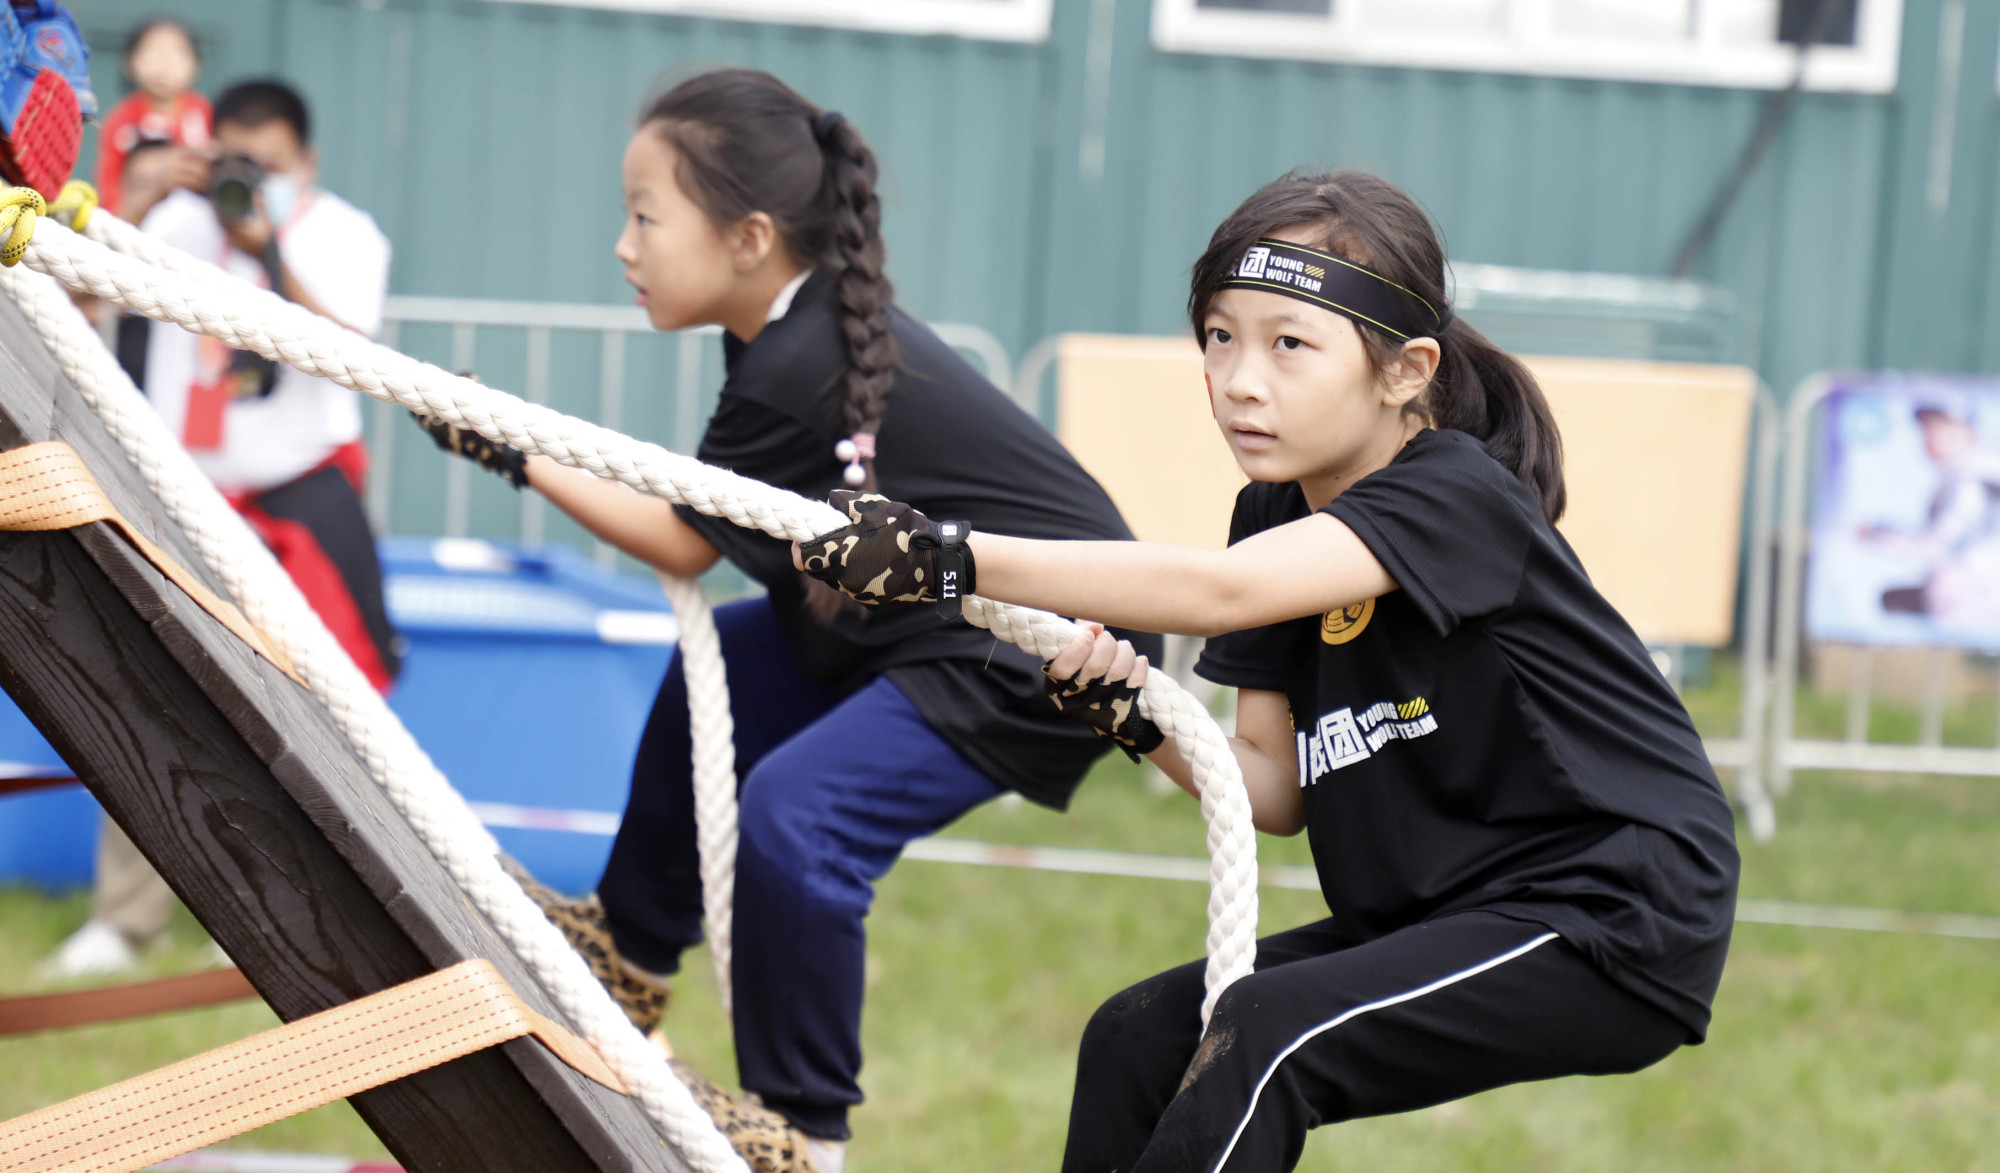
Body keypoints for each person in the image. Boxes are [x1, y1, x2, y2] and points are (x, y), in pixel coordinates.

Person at [797, 170, 1742, 1173]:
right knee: (1134, 1037)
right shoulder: (1273, 515)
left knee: (1266, 1033)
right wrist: (1133, 714)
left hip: (1609, 909)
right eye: (1218, 336)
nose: (1241, 379)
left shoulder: (1453, 493)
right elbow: (1275, 789)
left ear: (1404, 371)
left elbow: (1217, 593)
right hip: (1451, 911)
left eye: (1289, 343)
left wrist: (950, 559)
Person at [420, 67, 1160, 1173]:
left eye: (643, 216)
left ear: (749, 235)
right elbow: (708, 529)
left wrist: (510, 445)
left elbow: (680, 537)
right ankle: (628, 944)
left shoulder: (795, 362)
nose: (622, 246)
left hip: (1035, 638)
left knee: (797, 818)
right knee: (717, 652)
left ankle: (804, 1133)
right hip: (912, 615)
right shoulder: (787, 337)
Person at [47, 79, 399, 979]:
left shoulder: (346, 234)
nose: (248, 181)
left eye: (268, 168)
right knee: (142, 691)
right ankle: (125, 919)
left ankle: (283, 913)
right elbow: (71, 310)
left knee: (323, 711)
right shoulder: (171, 224)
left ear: (306, 165)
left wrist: (268, 247)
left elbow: (353, 351)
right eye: (234, 162)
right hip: (181, 489)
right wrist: (139, 196)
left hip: (297, 495)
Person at [94, 17, 211, 214]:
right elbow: (110, 183)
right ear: (130, 63)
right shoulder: (120, 120)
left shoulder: (204, 114)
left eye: (176, 54)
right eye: (151, 53)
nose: (163, 66)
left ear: (195, 64)